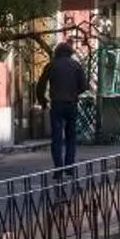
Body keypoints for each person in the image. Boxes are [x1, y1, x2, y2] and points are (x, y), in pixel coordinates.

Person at [40, 41, 87, 169]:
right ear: (70, 53)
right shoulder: (76, 66)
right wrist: (74, 93)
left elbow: (41, 85)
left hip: (56, 104)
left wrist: (43, 101)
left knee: (57, 137)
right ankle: (69, 166)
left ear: (57, 52)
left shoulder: (51, 65)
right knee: (71, 137)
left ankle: (58, 168)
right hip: (72, 104)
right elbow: (84, 86)